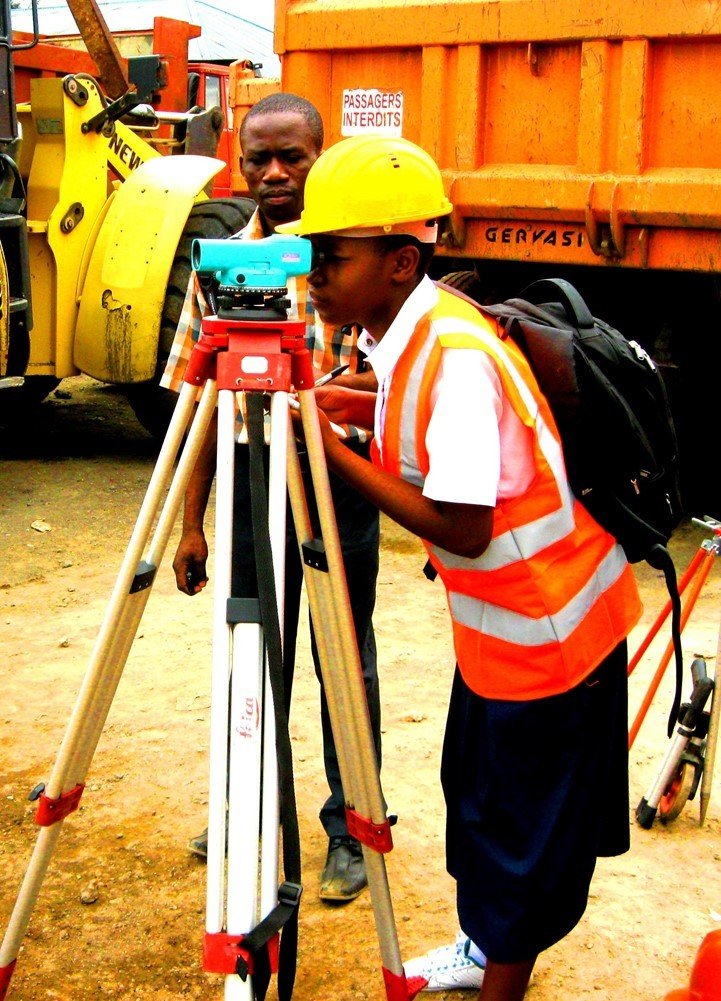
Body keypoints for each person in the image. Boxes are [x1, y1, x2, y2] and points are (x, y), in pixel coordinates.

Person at [276, 134, 643, 999]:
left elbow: (464, 525)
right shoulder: (409, 331)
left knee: (518, 841)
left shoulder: (454, 350)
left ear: (401, 261)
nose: (313, 273)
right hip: (502, 637)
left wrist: (327, 450)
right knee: (479, 807)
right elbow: (417, 412)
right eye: (308, 253)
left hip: (552, 640)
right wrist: (346, 401)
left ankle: (498, 982)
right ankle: (482, 951)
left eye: (331, 255)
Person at [161, 94, 382, 903]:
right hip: (253, 483)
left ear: (321, 156)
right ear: (239, 160)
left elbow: (388, 390)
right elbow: (198, 405)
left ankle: (348, 825)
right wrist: (193, 523)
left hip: (334, 487)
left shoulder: (351, 261)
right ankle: (244, 810)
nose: (276, 172)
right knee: (250, 657)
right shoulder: (217, 268)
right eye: (260, 158)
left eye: (293, 155)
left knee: (340, 659)